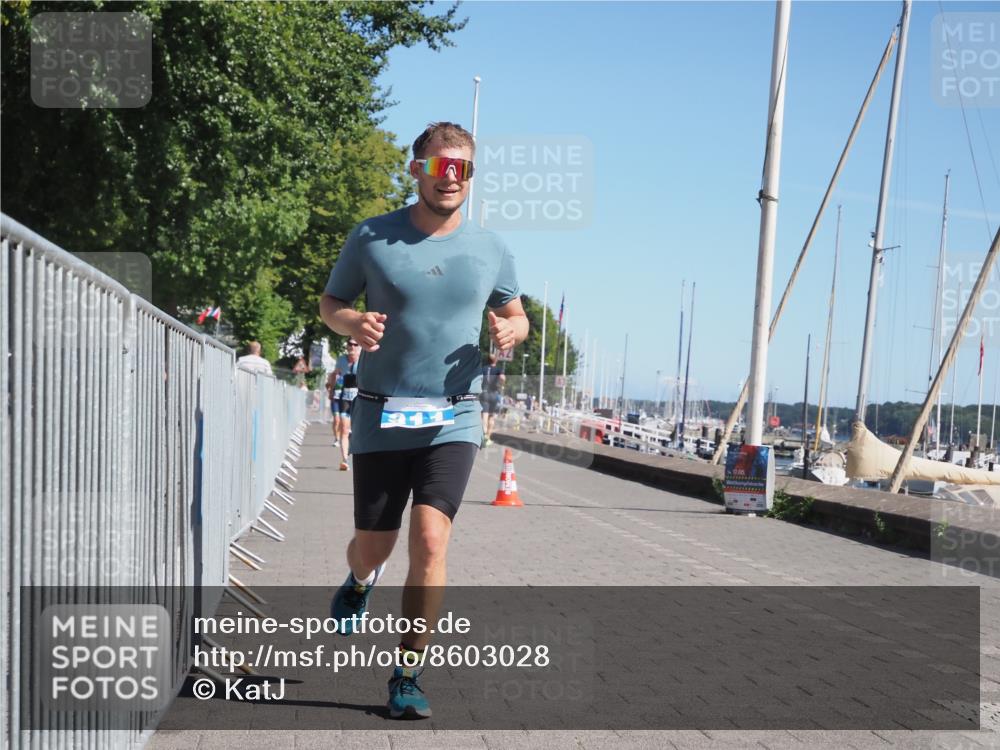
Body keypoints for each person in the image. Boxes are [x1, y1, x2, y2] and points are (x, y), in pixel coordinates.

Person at [319, 122, 529, 719]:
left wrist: (513, 329)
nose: (452, 178)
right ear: (417, 170)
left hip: (455, 417)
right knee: (373, 548)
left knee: (432, 541)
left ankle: (407, 673)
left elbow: (517, 316)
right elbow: (329, 305)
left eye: (463, 168)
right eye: (441, 167)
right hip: (381, 414)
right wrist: (350, 323)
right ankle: (358, 582)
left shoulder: (491, 247)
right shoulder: (372, 237)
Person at [332, 339, 362, 470]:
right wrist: (332, 389)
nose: (352, 347)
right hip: (344, 397)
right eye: (350, 344)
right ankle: (344, 460)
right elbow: (336, 375)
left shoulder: (364, 360)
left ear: (360, 347)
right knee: (344, 429)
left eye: (356, 344)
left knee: (357, 430)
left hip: (360, 398)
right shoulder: (341, 360)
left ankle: (361, 458)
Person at [479, 353, 505, 447]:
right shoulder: (498, 369)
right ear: (496, 360)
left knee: (484, 416)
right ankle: (488, 437)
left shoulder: (483, 368)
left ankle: (483, 435)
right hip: (494, 393)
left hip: (484, 393)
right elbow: (502, 378)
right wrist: (501, 385)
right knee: (491, 416)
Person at [326, 369, 342, 446]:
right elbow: (327, 385)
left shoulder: (350, 373)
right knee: (336, 419)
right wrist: (330, 389)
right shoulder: (333, 375)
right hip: (335, 400)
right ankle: (337, 438)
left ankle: (342, 436)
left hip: (345, 400)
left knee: (343, 421)